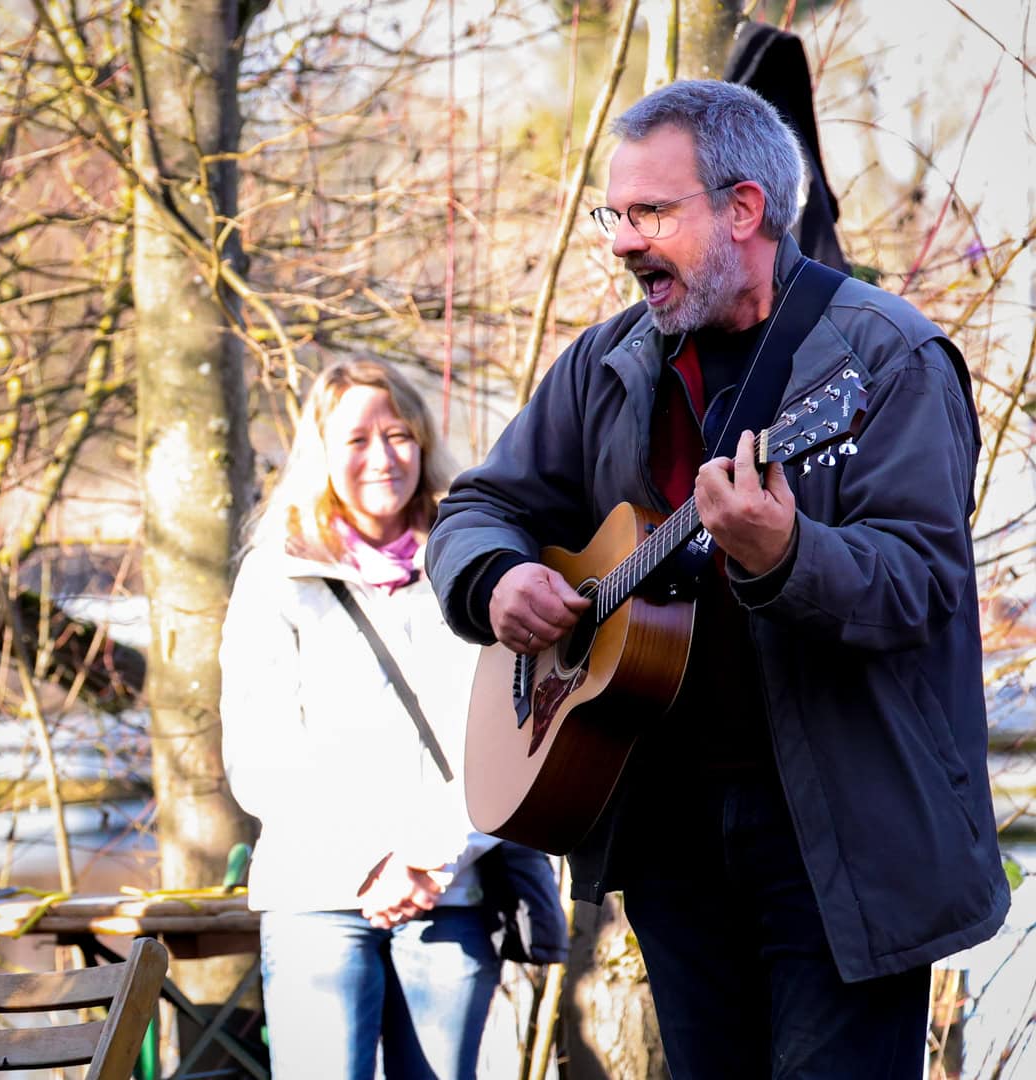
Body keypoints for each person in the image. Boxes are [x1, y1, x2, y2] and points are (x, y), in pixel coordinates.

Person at [424, 80, 1009, 1079]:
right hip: (668, 832)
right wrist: (494, 579)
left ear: (744, 209)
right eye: (616, 213)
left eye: (651, 213)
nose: (620, 241)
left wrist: (786, 554)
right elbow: (479, 506)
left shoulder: (886, 360)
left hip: (844, 844)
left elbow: (922, 585)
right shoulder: (604, 362)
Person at [219, 357, 501, 1079]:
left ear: (425, 442)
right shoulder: (276, 574)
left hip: (447, 890)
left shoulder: (471, 568)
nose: (383, 457)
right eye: (356, 440)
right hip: (316, 894)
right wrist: (371, 861)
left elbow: (503, 737)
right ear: (321, 452)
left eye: (399, 434)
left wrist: (430, 857)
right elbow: (261, 756)